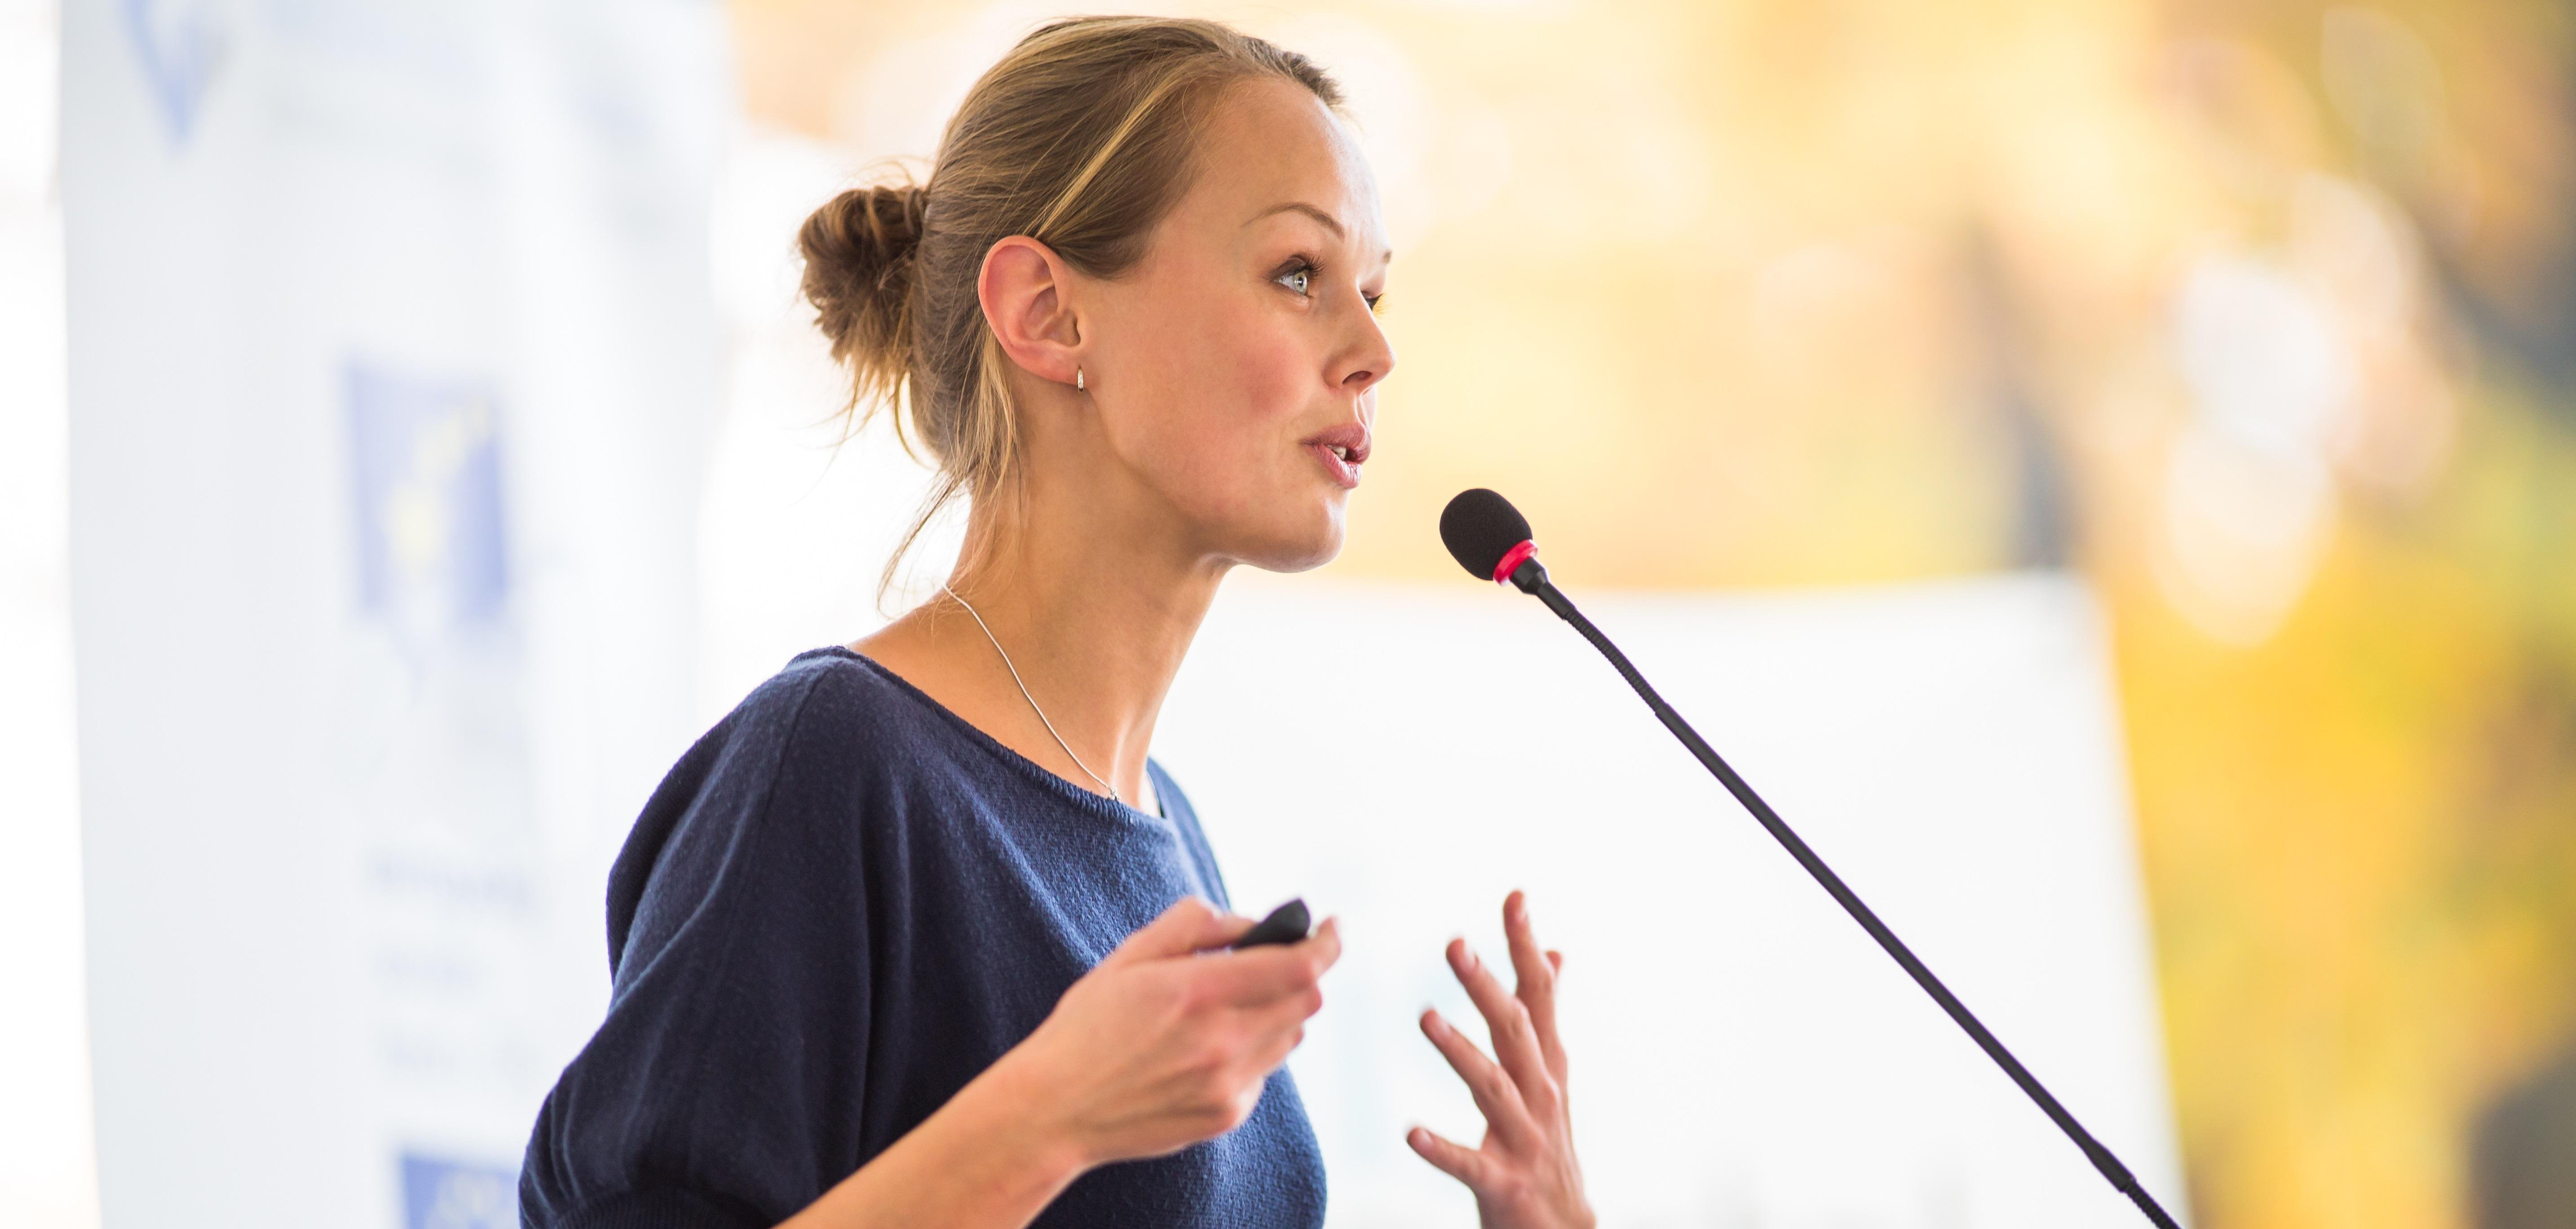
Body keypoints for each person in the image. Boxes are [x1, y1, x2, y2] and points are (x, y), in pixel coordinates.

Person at [519, 16, 1592, 1229]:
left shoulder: (1170, 834)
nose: (1376, 349)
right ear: (1047, 312)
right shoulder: (831, 766)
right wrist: (1050, 1118)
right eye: (1300, 272)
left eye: (1376, 291)